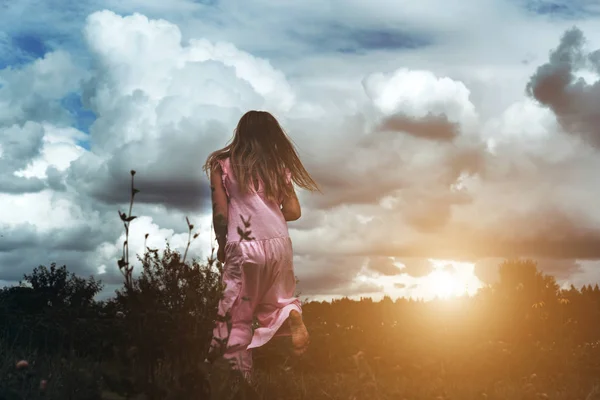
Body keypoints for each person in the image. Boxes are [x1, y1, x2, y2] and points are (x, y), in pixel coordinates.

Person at [203, 110, 320, 381]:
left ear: (240, 132)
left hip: (243, 246)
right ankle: (290, 313)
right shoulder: (279, 167)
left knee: (237, 318)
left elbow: (220, 215)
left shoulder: (221, 164)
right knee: (278, 299)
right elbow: (293, 211)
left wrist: (223, 245)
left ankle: (240, 384)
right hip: (279, 244)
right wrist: (270, 208)